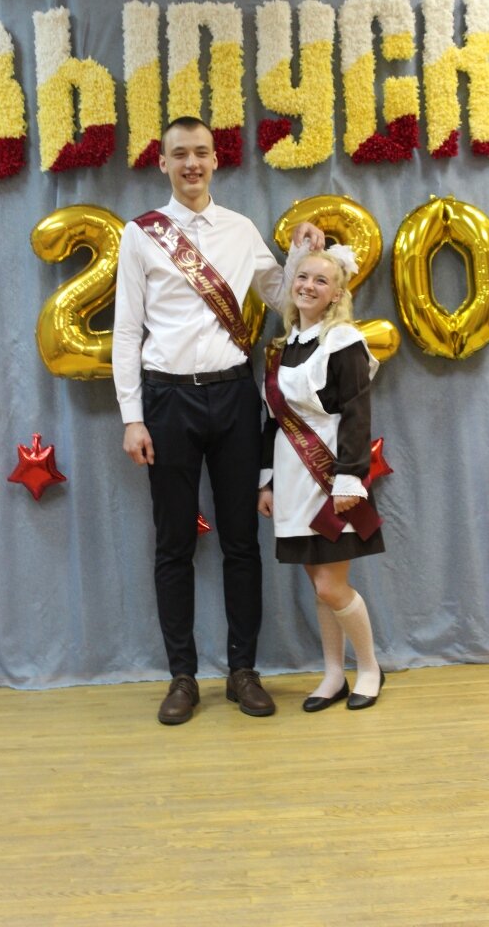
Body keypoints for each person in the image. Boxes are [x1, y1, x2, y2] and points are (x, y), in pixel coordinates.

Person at [112, 115, 324, 725]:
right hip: (167, 400)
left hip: (233, 395)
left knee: (240, 542)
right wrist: (132, 417)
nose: (192, 164)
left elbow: (281, 298)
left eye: (201, 152)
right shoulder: (141, 235)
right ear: (162, 162)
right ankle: (182, 677)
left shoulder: (240, 229)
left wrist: (303, 252)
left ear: (215, 159)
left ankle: (243, 672)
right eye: (180, 154)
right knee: (173, 544)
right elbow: (126, 332)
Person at [257, 245, 386, 711]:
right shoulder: (280, 348)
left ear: (336, 294)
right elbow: (273, 421)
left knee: (332, 585)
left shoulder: (344, 341)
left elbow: (356, 411)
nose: (308, 286)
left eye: (321, 280)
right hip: (292, 479)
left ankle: (369, 668)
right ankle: (333, 674)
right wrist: (267, 481)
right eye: (303, 276)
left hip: (331, 474)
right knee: (319, 585)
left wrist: (350, 478)